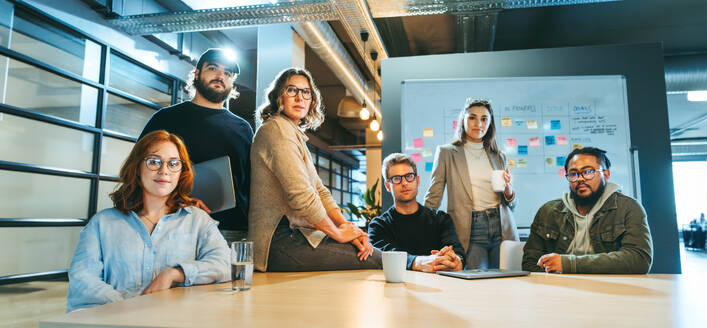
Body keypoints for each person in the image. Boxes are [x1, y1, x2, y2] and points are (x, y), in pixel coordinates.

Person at [67, 130, 230, 312]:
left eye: (173, 163)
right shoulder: (102, 223)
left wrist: (175, 273)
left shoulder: (198, 220)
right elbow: (83, 280)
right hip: (115, 320)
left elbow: (223, 264)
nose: (164, 171)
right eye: (154, 162)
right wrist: (129, 309)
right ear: (137, 167)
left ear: (181, 171)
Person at [249, 67, 380, 272]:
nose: (299, 97)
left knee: (369, 252)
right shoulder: (277, 130)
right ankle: (418, 263)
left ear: (312, 101)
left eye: (306, 92)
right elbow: (302, 197)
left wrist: (348, 228)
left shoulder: (293, 134)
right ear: (278, 97)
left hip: (296, 236)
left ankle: (418, 262)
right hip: (278, 242)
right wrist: (338, 234)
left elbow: (319, 191)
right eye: (292, 90)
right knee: (372, 259)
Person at [140, 48, 254, 244]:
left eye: (227, 73)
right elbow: (139, 170)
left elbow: (250, 184)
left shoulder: (243, 128)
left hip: (229, 232)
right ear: (197, 73)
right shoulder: (165, 118)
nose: (220, 76)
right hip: (174, 227)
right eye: (213, 68)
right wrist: (178, 200)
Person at [522, 147, 653, 274]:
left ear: (606, 175)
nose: (580, 179)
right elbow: (530, 263)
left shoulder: (628, 208)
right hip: (559, 288)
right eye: (573, 174)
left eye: (588, 172)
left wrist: (569, 264)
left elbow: (639, 259)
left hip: (611, 288)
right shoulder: (548, 211)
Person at [424, 98, 518, 269]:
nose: (478, 124)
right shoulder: (447, 153)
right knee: (477, 285)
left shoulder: (499, 155)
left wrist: (509, 191)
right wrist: (422, 226)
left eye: (484, 119)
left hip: (502, 227)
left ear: (490, 123)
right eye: (472, 117)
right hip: (470, 228)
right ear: (463, 120)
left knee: (506, 284)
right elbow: (434, 195)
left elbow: (511, 205)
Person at [369, 153, 465, 273]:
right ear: (388, 186)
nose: (404, 183)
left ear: (417, 180)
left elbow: (456, 250)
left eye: (409, 176)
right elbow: (384, 257)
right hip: (397, 288)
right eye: (397, 179)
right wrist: (418, 262)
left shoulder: (440, 219)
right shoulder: (379, 226)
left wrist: (455, 260)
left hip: (440, 287)